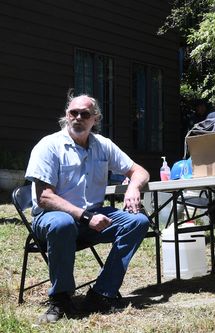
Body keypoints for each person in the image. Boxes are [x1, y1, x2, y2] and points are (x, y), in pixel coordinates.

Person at [25, 93, 151, 324]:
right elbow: (44, 197)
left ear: (95, 119)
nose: (78, 118)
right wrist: (84, 216)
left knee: (138, 221)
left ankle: (102, 294)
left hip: (91, 216)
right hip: (51, 218)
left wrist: (133, 187)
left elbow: (139, 171)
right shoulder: (49, 146)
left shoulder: (102, 145)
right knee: (62, 223)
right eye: (74, 113)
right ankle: (61, 299)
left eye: (85, 114)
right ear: (66, 115)